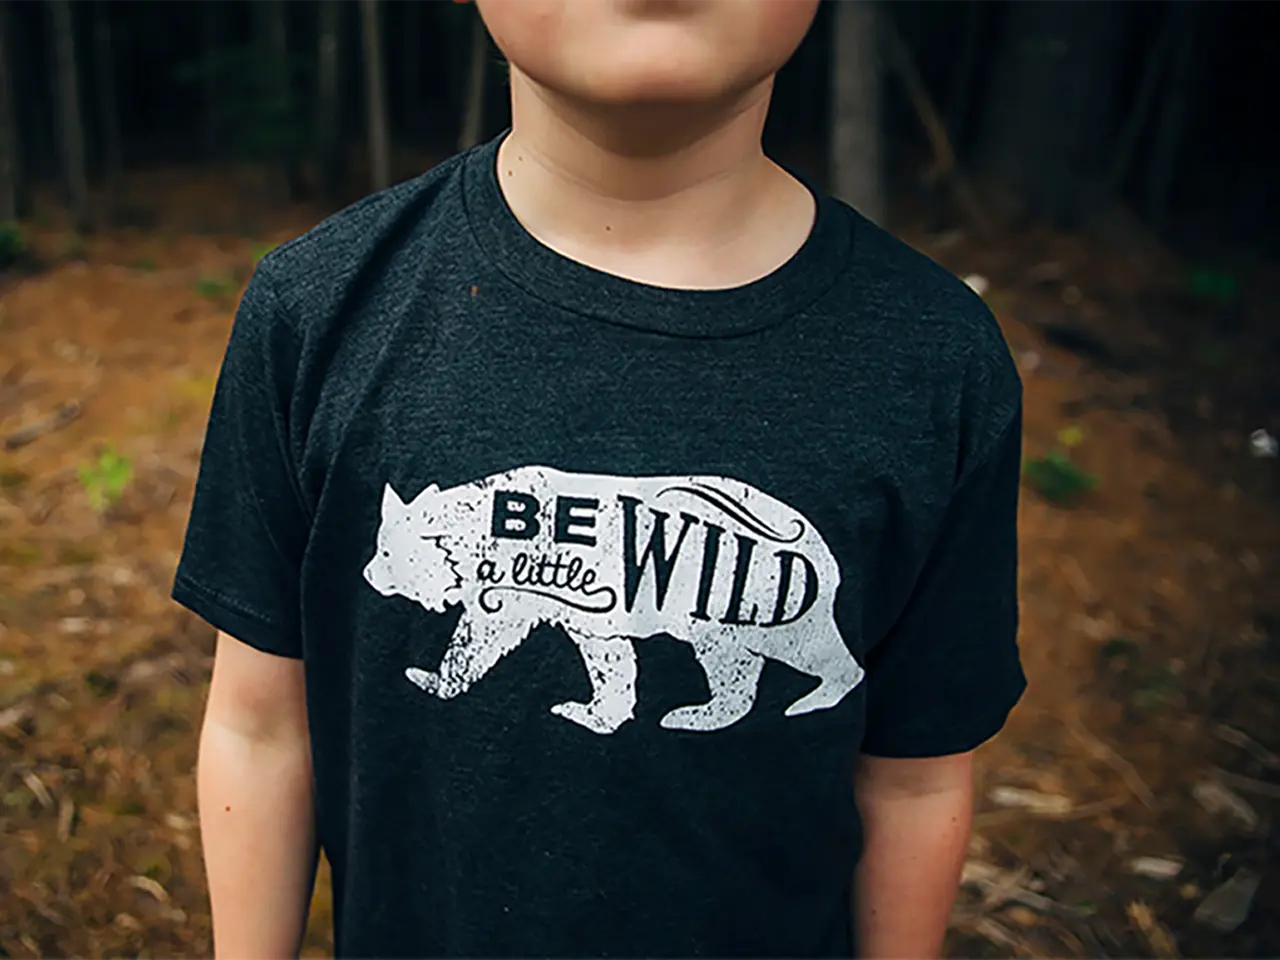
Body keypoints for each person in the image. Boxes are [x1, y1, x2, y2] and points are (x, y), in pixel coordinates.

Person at [173, 1, 1026, 957]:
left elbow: (915, 774)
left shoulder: (934, 363)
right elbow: (260, 730)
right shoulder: (318, 310)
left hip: (743, 608)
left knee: (730, 623)